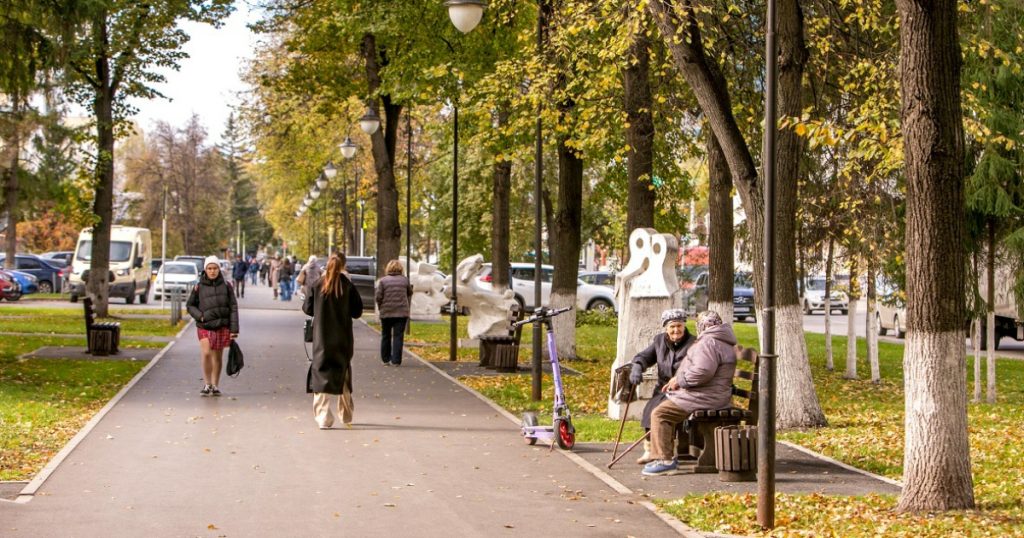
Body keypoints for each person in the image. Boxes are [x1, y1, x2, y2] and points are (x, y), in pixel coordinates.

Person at [641, 310, 738, 476]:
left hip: (706, 396)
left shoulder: (708, 342)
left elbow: (702, 372)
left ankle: (665, 460)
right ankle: (666, 455)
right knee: (663, 407)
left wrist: (680, 381)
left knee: (660, 413)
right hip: (712, 394)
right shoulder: (719, 339)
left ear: (702, 326)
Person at [627, 308, 697, 465]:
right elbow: (644, 357)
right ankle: (649, 449)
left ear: (684, 326)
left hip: (683, 390)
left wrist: (680, 379)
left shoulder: (693, 343)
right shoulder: (659, 341)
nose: (676, 330)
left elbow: (695, 368)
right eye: (672, 327)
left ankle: (665, 451)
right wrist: (637, 366)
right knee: (649, 410)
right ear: (666, 328)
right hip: (662, 388)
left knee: (662, 411)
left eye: (679, 326)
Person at [303, 253, 363, 429]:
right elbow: (357, 312)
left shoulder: (317, 284)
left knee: (321, 374)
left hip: (322, 338)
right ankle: (346, 414)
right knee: (343, 373)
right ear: (344, 265)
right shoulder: (348, 286)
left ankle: (323, 417)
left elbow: (307, 308)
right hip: (343, 338)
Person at [186, 256, 239, 397]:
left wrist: (234, 330)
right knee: (206, 352)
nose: (212, 271)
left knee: (217, 356)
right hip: (205, 325)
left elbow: (233, 307)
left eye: (215, 268)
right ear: (205, 270)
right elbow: (190, 305)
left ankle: (215, 385)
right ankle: (207, 383)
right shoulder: (198, 286)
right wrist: (200, 316)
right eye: (209, 268)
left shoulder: (227, 286)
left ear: (218, 269)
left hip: (221, 325)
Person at [375, 259, 412, 366]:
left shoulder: (383, 281)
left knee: (386, 335)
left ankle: (385, 359)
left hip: (386, 312)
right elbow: (409, 292)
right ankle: (396, 360)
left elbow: (378, 297)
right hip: (401, 313)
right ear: (400, 269)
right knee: (398, 336)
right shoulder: (405, 280)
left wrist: (381, 307)